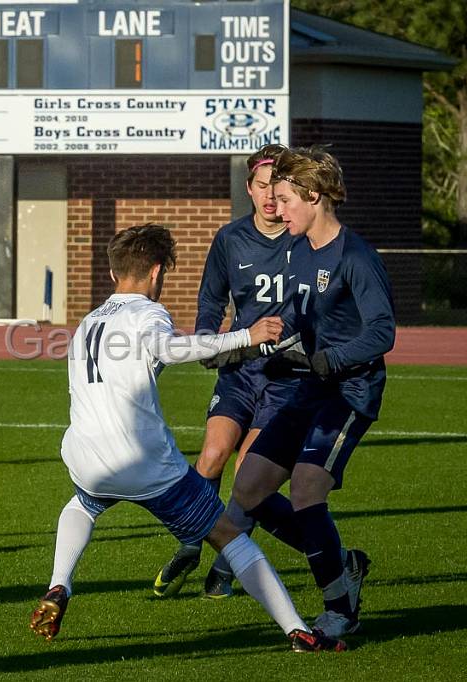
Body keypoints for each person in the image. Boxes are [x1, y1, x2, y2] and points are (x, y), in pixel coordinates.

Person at [29, 224, 345, 653]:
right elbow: (172, 349)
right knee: (229, 536)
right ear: (157, 272)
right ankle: (297, 631)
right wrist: (246, 336)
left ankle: (58, 586)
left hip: (85, 457)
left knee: (83, 504)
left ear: (112, 274)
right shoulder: (148, 313)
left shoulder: (88, 321)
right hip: (143, 463)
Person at [230, 146, 396, 639]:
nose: (277, 209)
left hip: (349, 392)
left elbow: (382, 332)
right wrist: (257, 343)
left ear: (314, 196)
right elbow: (298, 316)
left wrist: (330, 359)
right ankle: (339, 561)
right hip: (308, 386)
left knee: (305, 488)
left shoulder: (357, 257)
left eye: (284, 199)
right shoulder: (298, 249)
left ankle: (338, 607)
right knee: (249, 487)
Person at [156, 144, 303, 600]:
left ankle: (225, 567)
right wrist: (206, 339)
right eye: (262, 188)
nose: (271, 200)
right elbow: (211, 299)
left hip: (288, 376)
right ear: (250, 188)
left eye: (279, 191)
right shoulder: (230, 238)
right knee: (211, 458)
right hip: (240, 370)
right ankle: (188, 545)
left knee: (248, 475)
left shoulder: (305, 239)